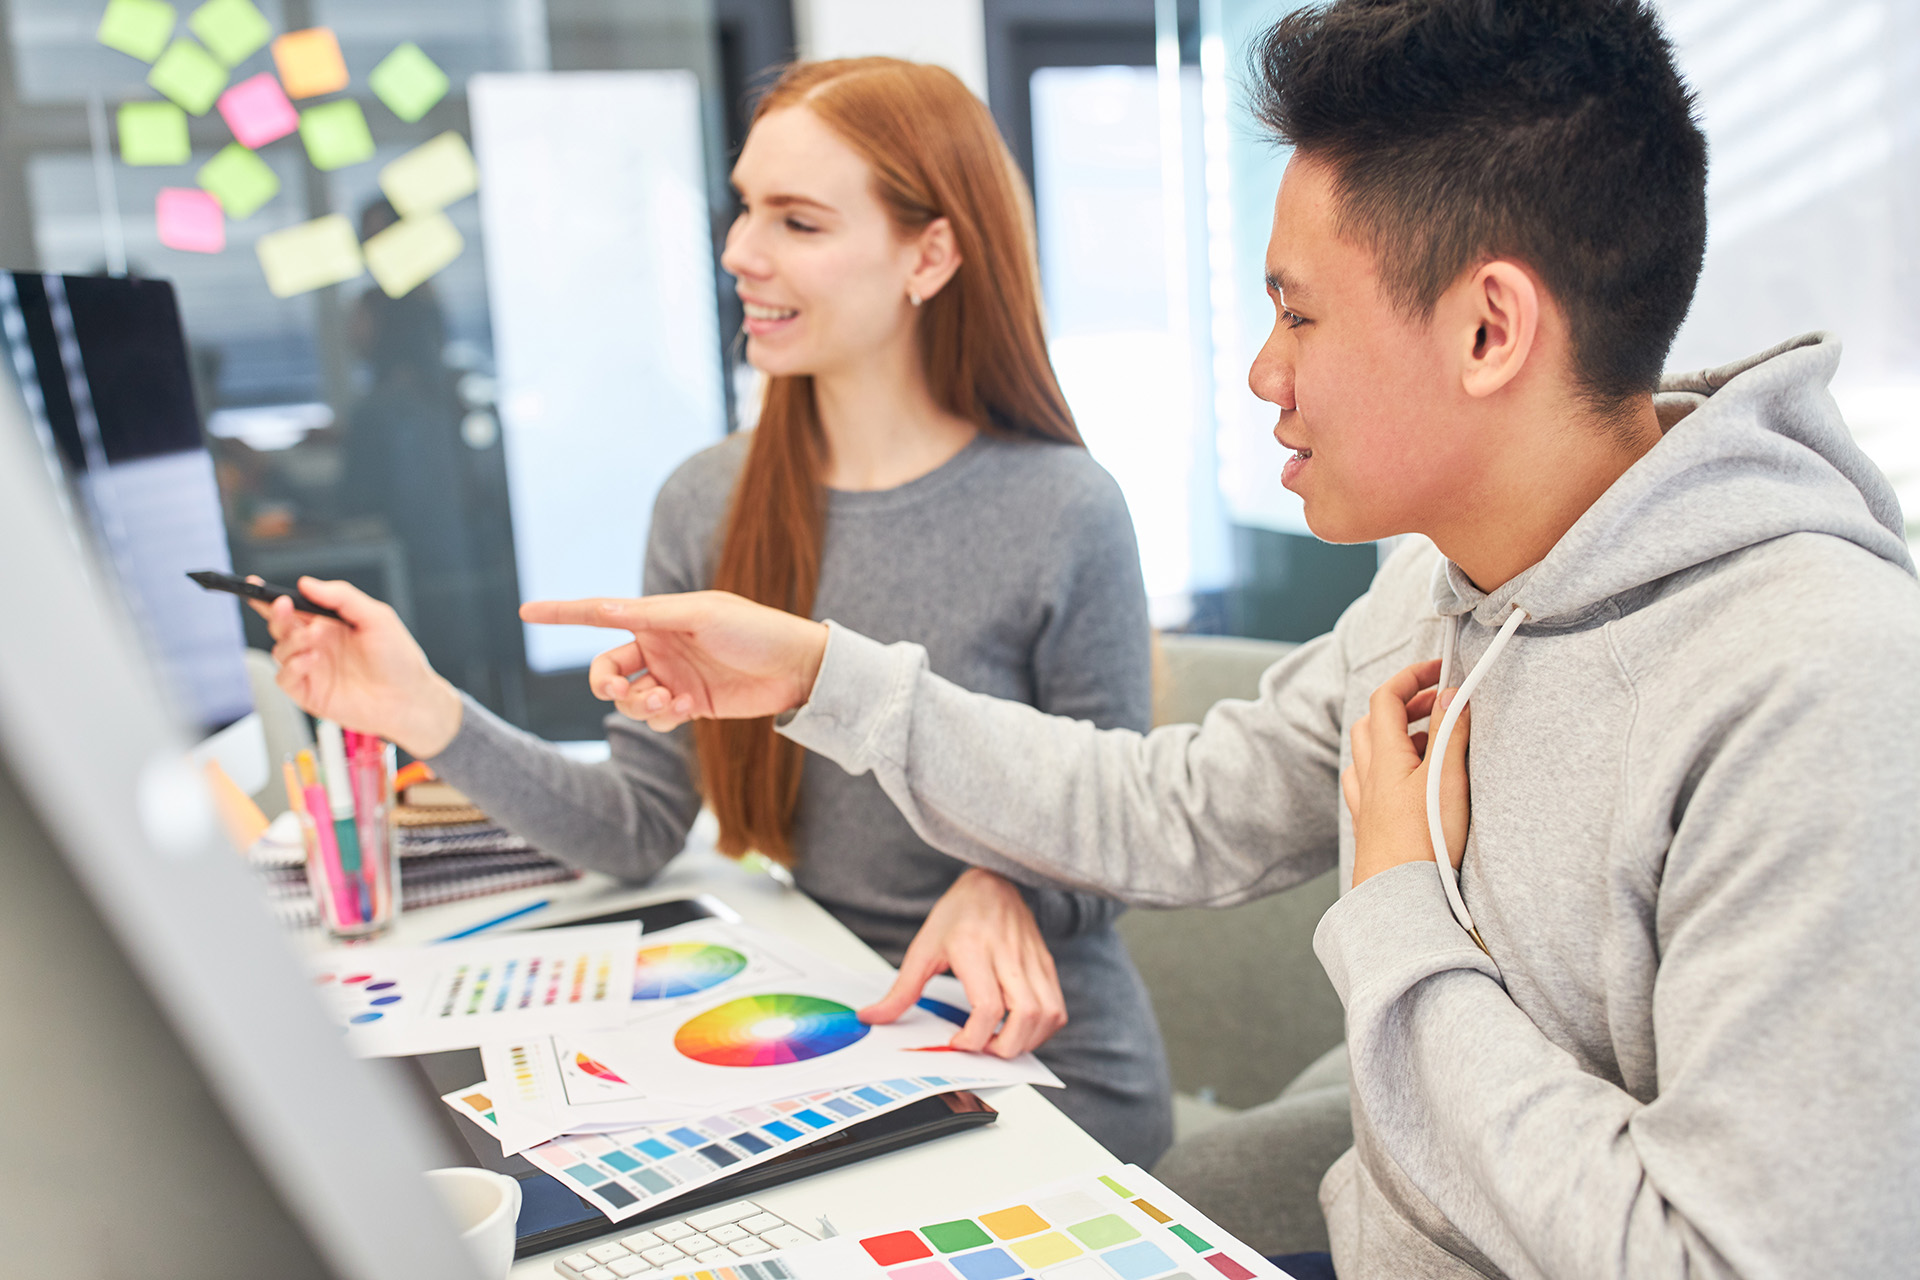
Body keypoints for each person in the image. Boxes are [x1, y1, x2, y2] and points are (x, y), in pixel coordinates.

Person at [522, 2, 1920, 1276]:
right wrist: (823, 674)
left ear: (1491, 328)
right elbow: (1169, 808)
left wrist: (1394, 909)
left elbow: (1729, 1259)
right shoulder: (1440, 591)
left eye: (1298, 312)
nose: (1263, 372)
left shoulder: (1818, 684)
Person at [259, 58, 1174, 1164]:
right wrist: (426, 710)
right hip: (832, 1032)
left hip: (1040, 1061)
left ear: (928, 254)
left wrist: (1002, 878)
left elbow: (1129, 824)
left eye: (796, 219)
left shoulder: (1066, 508)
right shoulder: (711, 500)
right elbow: (638, 824)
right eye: (745, 207)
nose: (741, 251)